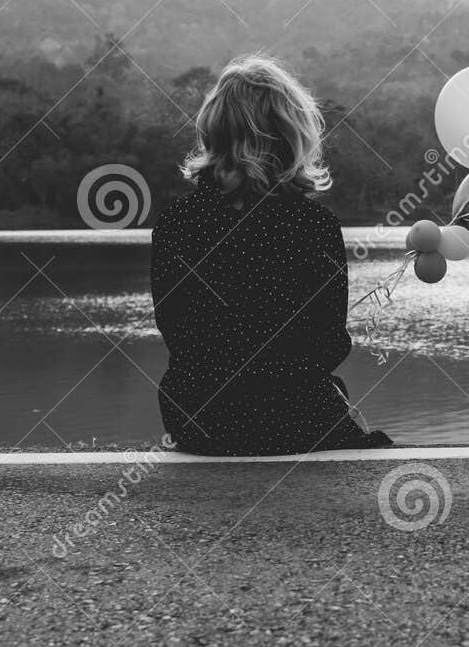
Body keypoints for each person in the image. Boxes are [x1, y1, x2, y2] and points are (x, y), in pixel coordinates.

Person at [149, 54, 391, 454]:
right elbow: (329, 344)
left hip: (200, 421)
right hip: (295, 419)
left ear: (214, 129)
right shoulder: (314, 226)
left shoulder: (175, 223)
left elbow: (175, 331)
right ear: (289, 133)